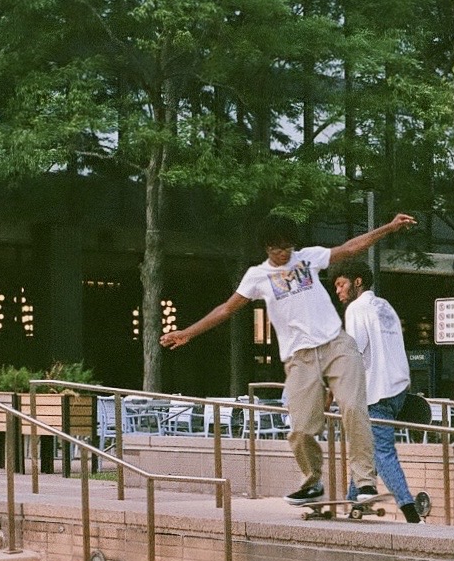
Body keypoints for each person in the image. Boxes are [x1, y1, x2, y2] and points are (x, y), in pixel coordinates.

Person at [161, 212, 417, 504]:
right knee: (301, 426)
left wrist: (389, 227)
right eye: (275, 249)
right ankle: (312, 482)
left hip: (336, 345)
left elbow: (349, 248)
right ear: (266, 248)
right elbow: (226, 309)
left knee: (355, 409)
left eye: (286, 247)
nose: (282, 254)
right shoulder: (257, 277)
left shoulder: (307, 258)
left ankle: (364, 482)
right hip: (301, 358)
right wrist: (188, 333)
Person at [329, 258, 422, 523]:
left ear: (357, 282)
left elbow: (354, 351)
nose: (338, 291)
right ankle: (355, 504)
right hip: (398, 388)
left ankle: (411, 512)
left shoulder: (356, 309)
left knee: (381, 452)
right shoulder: (385, 306)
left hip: (375, 391)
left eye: (341, 284)